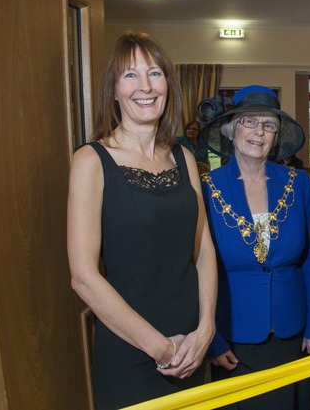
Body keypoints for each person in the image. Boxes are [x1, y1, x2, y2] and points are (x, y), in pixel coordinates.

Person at [67, 32, 217, 409]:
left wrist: (206, 329)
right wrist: (161, 348)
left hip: (191, 346)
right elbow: (83, 277)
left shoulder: (183, 157)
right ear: (114, 91)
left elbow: (203, 253)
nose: (146, 86)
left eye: (154, 73)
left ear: (168, 83)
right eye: (130, 76)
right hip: (131, 350)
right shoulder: (90, 160)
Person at [198, 85, 310, 410]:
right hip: (232, 336)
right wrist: (211, 339)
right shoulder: (207, 189)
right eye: (249, 122)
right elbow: (196, 268)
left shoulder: (298, 184)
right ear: (231, 129)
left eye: (268, 125)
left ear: (277, 135)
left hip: (291, 332)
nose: (259, 132)